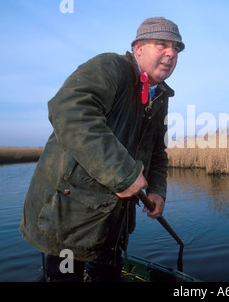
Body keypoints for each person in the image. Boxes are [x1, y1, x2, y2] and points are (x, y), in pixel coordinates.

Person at [20, 17, 185, 282]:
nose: (171, 53)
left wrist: (157, 190)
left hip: (113, 218)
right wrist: (123, 174)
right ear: (138, 48)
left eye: (176, 49)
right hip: (69, 213)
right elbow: (69, 109)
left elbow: (157, 151)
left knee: (107, 275)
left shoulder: (160, 96)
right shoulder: (111, 67)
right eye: (162, 44)